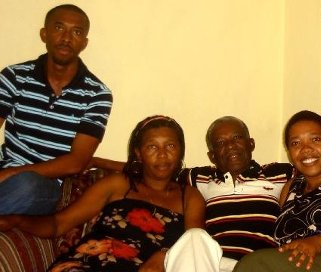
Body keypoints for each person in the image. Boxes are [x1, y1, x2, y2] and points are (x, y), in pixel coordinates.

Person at [0, 115, 207, 271]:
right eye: (152, 146)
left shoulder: (189, 197)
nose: (162, 154)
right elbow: (58, 224)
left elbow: (193, 245)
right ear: (138, 153)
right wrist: (18, 220)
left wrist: (164, 256)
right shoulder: (118, 184)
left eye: (170, 145)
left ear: (181, 150)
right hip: (85, 266)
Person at [0, 4, 113, 215]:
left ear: (84, 43)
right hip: (4, 169)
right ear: (44, 34)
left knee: (27, 185)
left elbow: (76, 162)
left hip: (44, 186)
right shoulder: (14, 76)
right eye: (59, 28)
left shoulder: (97, 95)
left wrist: (14, 173)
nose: (67, 38)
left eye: (76, 32)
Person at [233, 110, 321, 272]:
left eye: (315, 139)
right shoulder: (290, 188)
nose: (306, 149)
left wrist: (319, 241)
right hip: (296, 263)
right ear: (289, 153)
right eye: (296, 143)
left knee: (254, 264)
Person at [179, 116, 294, 272]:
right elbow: (159, 175)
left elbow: (319, 172)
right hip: (212, 263)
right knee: (193, 237)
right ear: (212, 156)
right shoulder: (200, 178)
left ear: (251, 144)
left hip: (257, 264)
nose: (230, 146)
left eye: (237, 138)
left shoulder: (278, 173)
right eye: (220, 143)